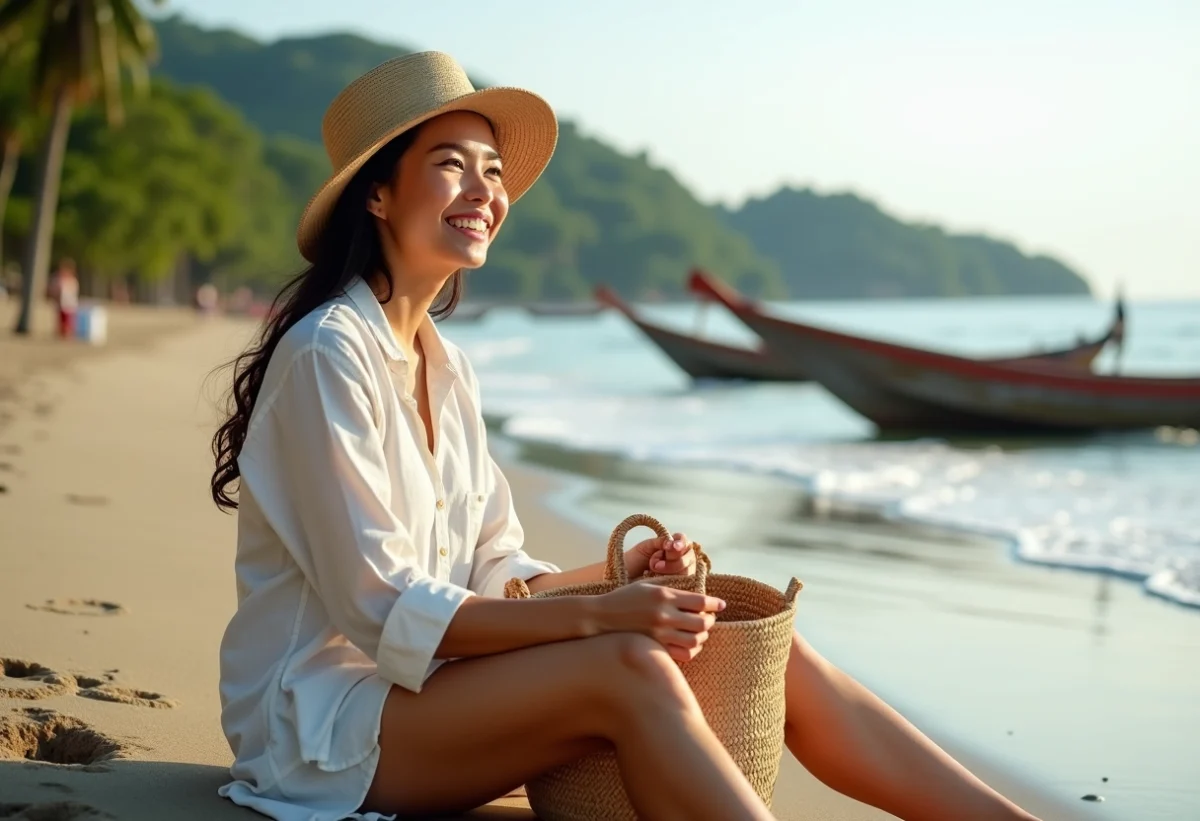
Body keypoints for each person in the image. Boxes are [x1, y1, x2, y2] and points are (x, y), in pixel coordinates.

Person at [210, 52, 1043, 821]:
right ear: (377, 194)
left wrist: (623, 578)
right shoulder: (328, 353)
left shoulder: (445, 365)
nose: (484, 190)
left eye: (494, 171)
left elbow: (497, 573)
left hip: (429, 696)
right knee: (629, 662)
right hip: (321, 725)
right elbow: (384, 604)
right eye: (451, 164)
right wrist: (604, 617)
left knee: (752, 636)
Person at [51, 258, 79, 339]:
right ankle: (61, 333)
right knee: (61, 319)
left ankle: (67, 334)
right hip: (61, 303)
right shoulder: (59, 280)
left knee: (68, 320)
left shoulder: (72, 281)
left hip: (69, 304)